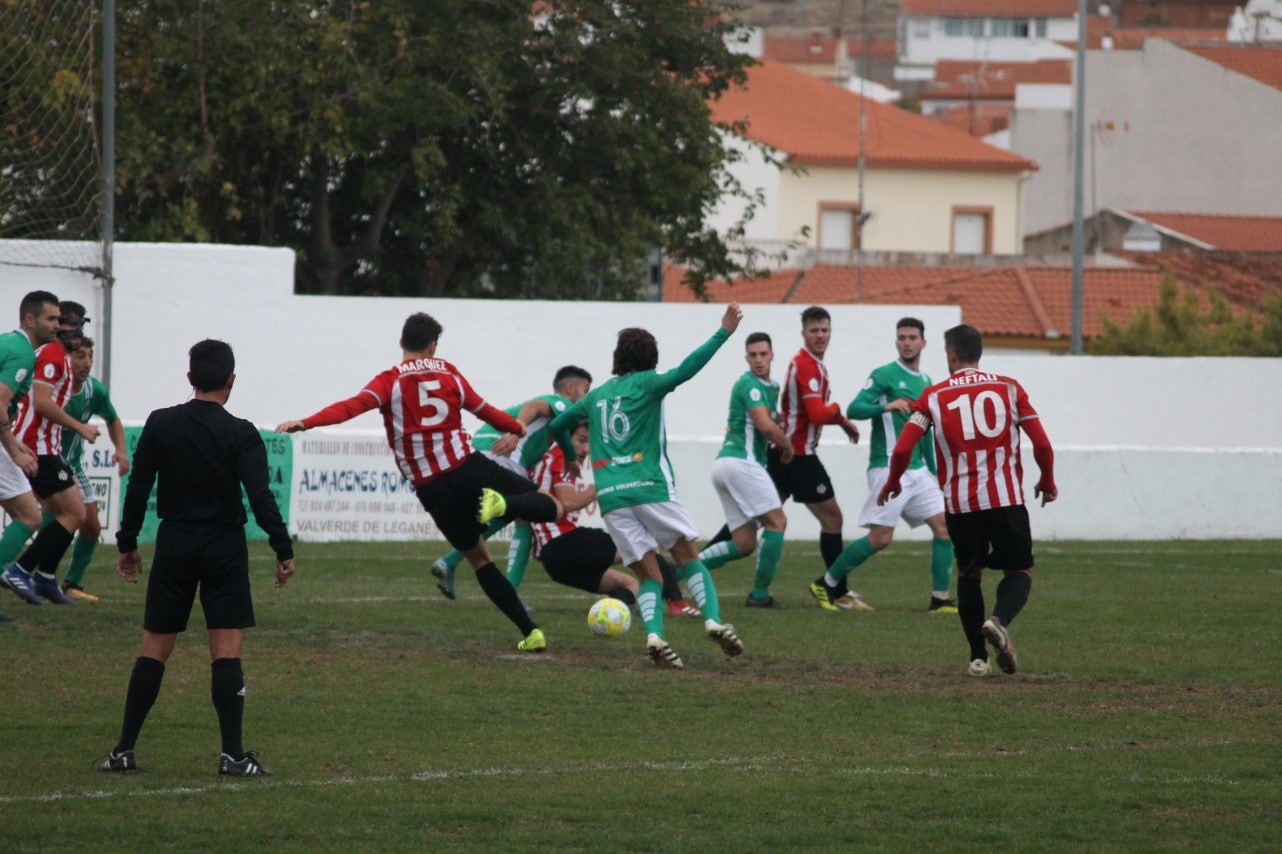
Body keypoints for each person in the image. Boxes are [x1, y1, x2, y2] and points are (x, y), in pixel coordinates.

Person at [275, 312, 561, 652]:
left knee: (480, 559)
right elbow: (484, 410)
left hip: (432, 489)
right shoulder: (449, 372)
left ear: (401, 343)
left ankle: (530, 632)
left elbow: (350, 407)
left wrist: (306, 423)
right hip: (467, 467)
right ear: (432, 346)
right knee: (547, 505)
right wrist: (516, 428)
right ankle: (505, 505)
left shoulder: (389, 381)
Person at [100, 339, 295, 776]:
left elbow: (139, 487)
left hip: (175, 542)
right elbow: (261, 497)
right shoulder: (242, 433)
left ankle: (123, 751)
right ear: (232, 381)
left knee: (154, 647)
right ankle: (232, 756)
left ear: (190, 378)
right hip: (223, 545)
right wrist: (282, 549)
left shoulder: (160, 423)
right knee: (225, 650)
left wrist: (127, 543)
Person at [547, 304, 746, 669]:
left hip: (611, 498)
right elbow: (688, 369)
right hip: (649, 487)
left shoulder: (597, 395)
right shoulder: (651, 383)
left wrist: (570, 457)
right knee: (688, 557)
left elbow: (558, 423)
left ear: (617, 359)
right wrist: (723, 332)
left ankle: (655, 635)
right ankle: (714, 620)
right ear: (651, 360)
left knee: (647, 574)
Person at [878, 324, 1057, 677]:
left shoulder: (931, 396)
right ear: (979, 351)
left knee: (969, 575)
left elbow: (902, 447)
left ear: (951, 354)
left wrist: (893, 482)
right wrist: (1047, 480)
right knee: (1020, 570)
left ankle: (978, 657)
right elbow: (1042, 444)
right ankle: (999, 621)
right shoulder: (1009, 388)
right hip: (1005, 500)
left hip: (960, 505)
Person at [811, 318, 957, 614]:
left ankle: (939, 599)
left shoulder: (926, 381)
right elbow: (854, 408)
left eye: (912, 337)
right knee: (880, 538)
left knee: (944, 528)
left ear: (923, 343)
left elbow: (925, 430)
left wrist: (936, 471)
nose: (906, 342)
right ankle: (825, 584)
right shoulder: (884, 375)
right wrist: (884, 406)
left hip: (918, 470)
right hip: (888, 465)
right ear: (896, 342)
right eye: (901, 337)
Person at [429, 365, 593, 600]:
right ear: (570, 388)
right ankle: (510, 593)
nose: (587, 397)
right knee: (528, 516)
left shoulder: (560, 424)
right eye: (586, 390)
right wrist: (515, 434)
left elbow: (557, 433)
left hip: (483, 446)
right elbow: (533, 407)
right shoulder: (562, 403)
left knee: (503, 514)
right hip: (502, 452)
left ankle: (449, 562)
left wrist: (568, 457)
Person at [0, 292, 98, 607]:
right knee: (68, 512)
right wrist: (79, 427)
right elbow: (34, 402)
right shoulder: (46, 355)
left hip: (36, 443)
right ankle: (21, 569)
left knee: (58, 512)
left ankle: (41, 575)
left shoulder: (49, 354)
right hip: (35, 445)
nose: (72, 331)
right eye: (58, 321)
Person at [766, 306, 864, 609]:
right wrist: (840, 415)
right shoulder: (806, 365)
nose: (820, 335)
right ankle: (835, 590)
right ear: (804, 333)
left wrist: (840, 419)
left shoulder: (813, 364)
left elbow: (815, 415)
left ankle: (685, 570)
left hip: (786, 453)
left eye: (824, 330)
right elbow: (818, 414)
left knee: (754, 519)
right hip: (798, 456)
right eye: (814, 330)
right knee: (833, 518)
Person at [529, 421, 686, 605]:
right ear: (565, 438)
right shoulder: (559, 456)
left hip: (552, 562)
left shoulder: (544, 461)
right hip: (565, 543)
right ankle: (676, 600)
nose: (586, 449)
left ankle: (614, 614)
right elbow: (568, 502)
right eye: (581, 440)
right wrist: (601, 487)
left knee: (629, 584)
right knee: (645, 545)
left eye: (589, 443)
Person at [696, 332, 792, 609]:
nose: (759, 359)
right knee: (777, 522)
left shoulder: (770, 386)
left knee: (743, 543)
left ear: (772, 355)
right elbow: (764, 425)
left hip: (726, 465)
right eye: (753, 355)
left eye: (763, 354)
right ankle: (759, 595)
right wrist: (786, 445)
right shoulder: (749, 385)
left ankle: (675, 572)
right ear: (746, 358)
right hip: (740, 462)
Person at [0, 291, 62, 621]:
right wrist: (13, 449)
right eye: (50, 318)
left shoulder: (7, 342)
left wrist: (11, 441)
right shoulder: (23, 353)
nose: (57, 325)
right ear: (29, 319)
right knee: (30, 516)